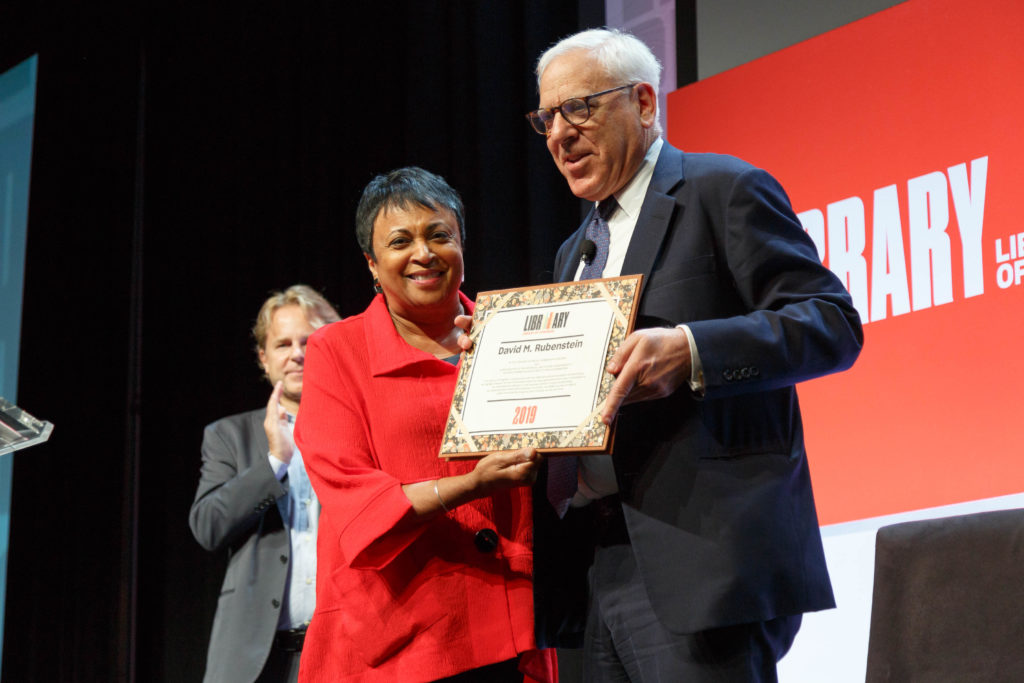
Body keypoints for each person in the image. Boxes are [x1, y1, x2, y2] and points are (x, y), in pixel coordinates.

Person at [520, 28, 864, 681]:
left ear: (645, 103)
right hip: (596, 558)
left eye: (579, 108)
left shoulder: (722, 189)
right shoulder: (574, 251)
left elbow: (831, 322)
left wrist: (691, 349)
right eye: (546, 117)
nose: (559, 134)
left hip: (699, 556)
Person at [293, 167, 557, 683]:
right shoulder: (337, 351)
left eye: (440, 235)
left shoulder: (512, 335)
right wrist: (471, 484)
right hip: (395, 642)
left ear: (462, 244)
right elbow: (354, 496)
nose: (424, 253)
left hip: (510, 624)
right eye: (400, 241)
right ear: (372, 264)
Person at [190, 285, 341, 683]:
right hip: (255, 660)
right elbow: (207, 526)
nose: (297, 354)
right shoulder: (229, 435)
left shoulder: (360, 431)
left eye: (310, 341)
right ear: (264, 357)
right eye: (283, 344)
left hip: (343, 653)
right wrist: (276, 459)